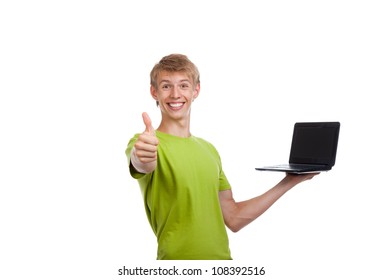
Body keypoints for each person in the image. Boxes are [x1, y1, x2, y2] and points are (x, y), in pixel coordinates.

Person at [125, 54, 318, 260]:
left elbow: (234, 218)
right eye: (166, 86)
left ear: (195, 90)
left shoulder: (209, 150)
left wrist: (290, 181)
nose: (175, 94)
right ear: (154, 92)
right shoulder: (145, 142)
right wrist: (142, 156)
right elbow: (142, 162)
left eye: (183, 85)